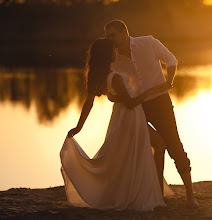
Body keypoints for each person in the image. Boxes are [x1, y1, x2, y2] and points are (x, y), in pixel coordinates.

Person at [60, 38, 173, 211]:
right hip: (131, 117)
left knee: (129, 154)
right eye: (113, 50)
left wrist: (79, 127)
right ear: (108, 54)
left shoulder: (101, 75)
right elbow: (131, 102)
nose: (116, 52)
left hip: (121, 118)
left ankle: (152, 190)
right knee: (158, 144)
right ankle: (152, 192)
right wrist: (155, 89)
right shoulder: (116, 77)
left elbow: (89, 102)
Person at [104, 20, 199, 209]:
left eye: (112, 35)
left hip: (160, 103)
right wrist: (114, 97)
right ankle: (156, 194)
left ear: (124, 32)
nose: (110, 39)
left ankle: (190, 196)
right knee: (153, 146)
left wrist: (169, 82)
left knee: (174, 146)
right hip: (136, 107)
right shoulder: (113, 58)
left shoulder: (148, 42)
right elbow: (111, 88)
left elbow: (171, 60)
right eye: (108, 36)